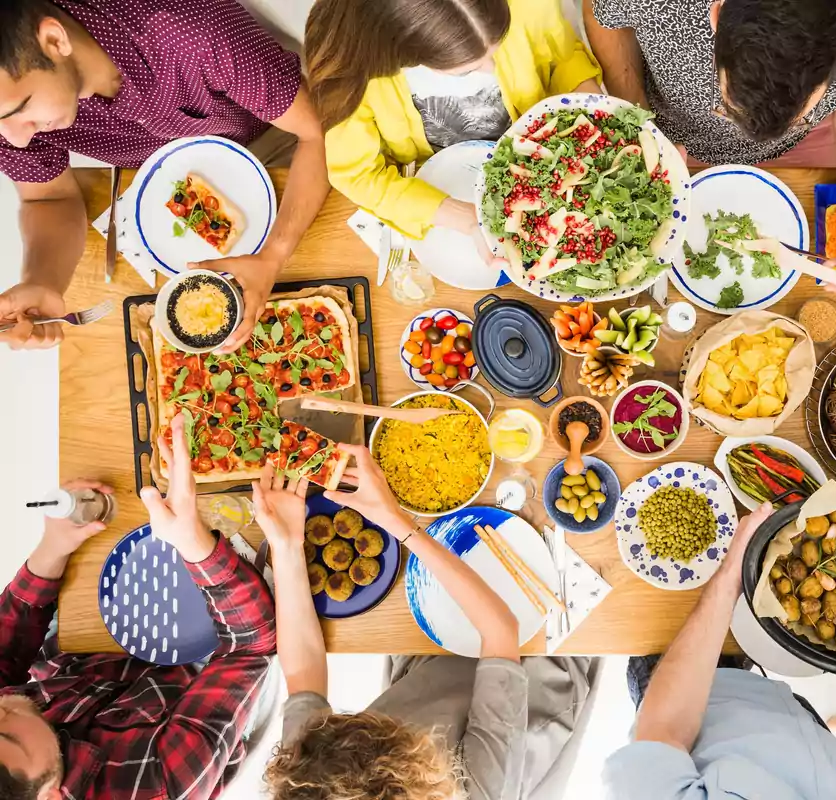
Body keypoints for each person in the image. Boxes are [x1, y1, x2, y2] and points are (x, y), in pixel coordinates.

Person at [261, 444, 595, 800]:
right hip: (535, 668)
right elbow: (501, 630)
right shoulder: (480, 788)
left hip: (426, 673)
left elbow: (302, 678)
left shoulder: (310, 784)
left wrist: (286, 545)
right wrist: (397, 522)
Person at [0, 0, 330, 352]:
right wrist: (43, 280)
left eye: (19, 110)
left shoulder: (190, 30)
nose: (18, 139)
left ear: (54, 41)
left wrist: (273, 256)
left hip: (273, 142)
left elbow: (318, 134)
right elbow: (49, 197)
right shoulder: (11, 122)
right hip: (155, 188)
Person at [0, 412, 277, 800]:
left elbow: (6, 645)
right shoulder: (157, 785)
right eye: (7, 731)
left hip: (88, 664)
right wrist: (193, 543)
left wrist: (53, 548)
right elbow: (251, 648)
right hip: (203, 678)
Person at [584, 0, 836, 314]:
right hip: (669, 135)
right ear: (717, 12)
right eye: (729, 109)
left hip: (801, 152)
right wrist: (642, 121)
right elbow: (606, 17)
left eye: (800, 114)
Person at [603, 501, 836, 799]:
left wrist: (729, 579)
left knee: (650, 619)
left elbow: (662, 730)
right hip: (785, 714)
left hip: (688, 696)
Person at [303, 0, 601, 248]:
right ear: (401, 51)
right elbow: (357, 176)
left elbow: (562, 58)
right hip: (437, 190)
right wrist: (465, 218)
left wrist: (591, 113)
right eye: (467, 71)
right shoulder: (351, 69)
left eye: (499, 46)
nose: (493, 69)